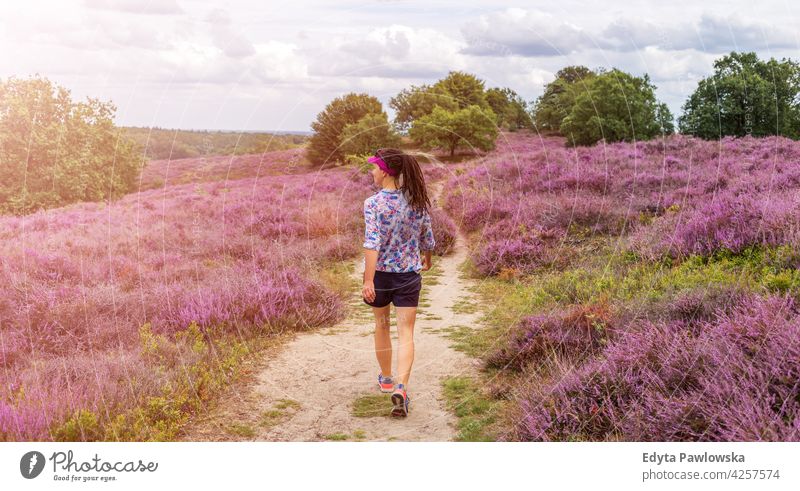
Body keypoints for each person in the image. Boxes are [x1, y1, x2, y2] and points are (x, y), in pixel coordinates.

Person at [362, 148, 435, 418]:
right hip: (408, 276)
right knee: (406, 332)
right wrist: (426, 258)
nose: (372, 171)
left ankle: (386, 378)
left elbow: (372, 243)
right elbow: (427, 237)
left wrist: (368, 280)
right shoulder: (417, 201)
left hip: (381, 275)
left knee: (381, 325)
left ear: (385, 171)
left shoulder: (373, 204)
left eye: (374, 167)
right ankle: (402, 387)